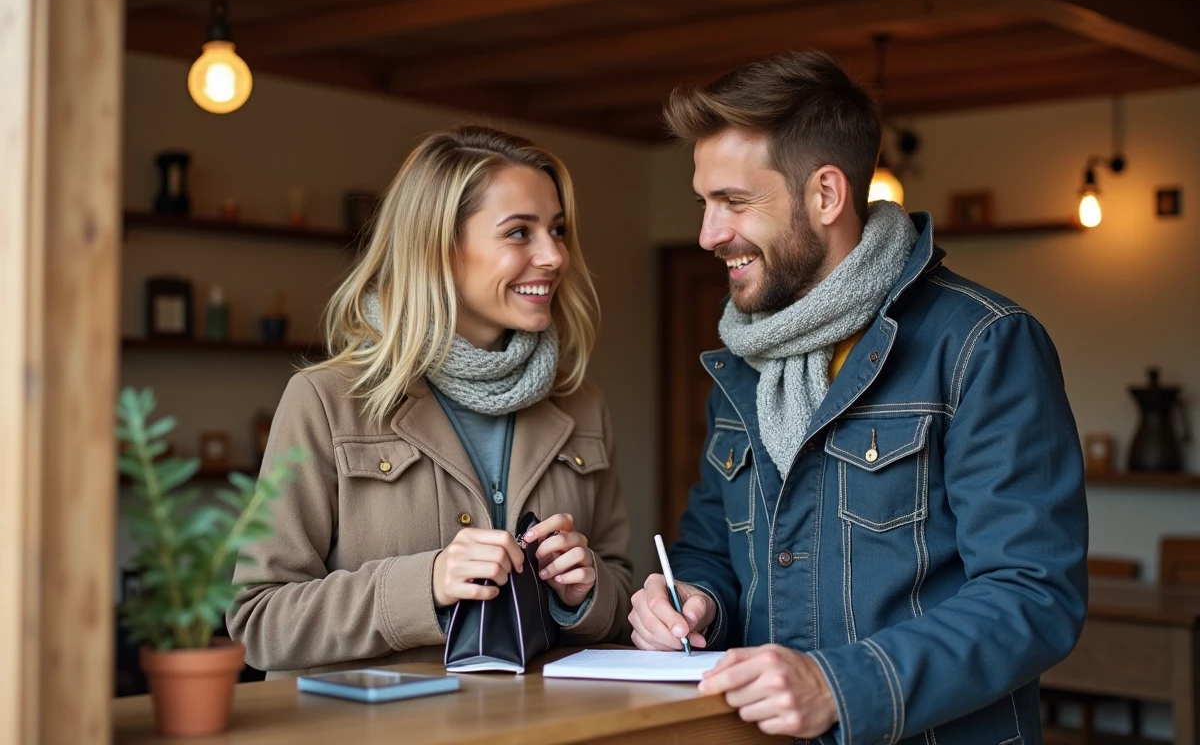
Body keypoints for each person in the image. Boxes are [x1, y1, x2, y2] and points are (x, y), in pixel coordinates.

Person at [629, 51, 1087, 744]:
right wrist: (691, 600)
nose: (708, 235)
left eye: (734, 203)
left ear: (825, 195)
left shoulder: (983, 344)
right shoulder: (745, 365)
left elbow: (1033, 595)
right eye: (704, 204)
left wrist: (841, 687)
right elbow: (714, 551)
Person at [228, 125, 633, 677]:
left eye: (557, 230)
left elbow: (622, 590)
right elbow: (260, 622)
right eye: (519, 233)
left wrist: (588, 590)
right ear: (439, 249)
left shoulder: (582, 405)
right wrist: (428, 583)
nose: (555, 255)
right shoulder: (325, 401)